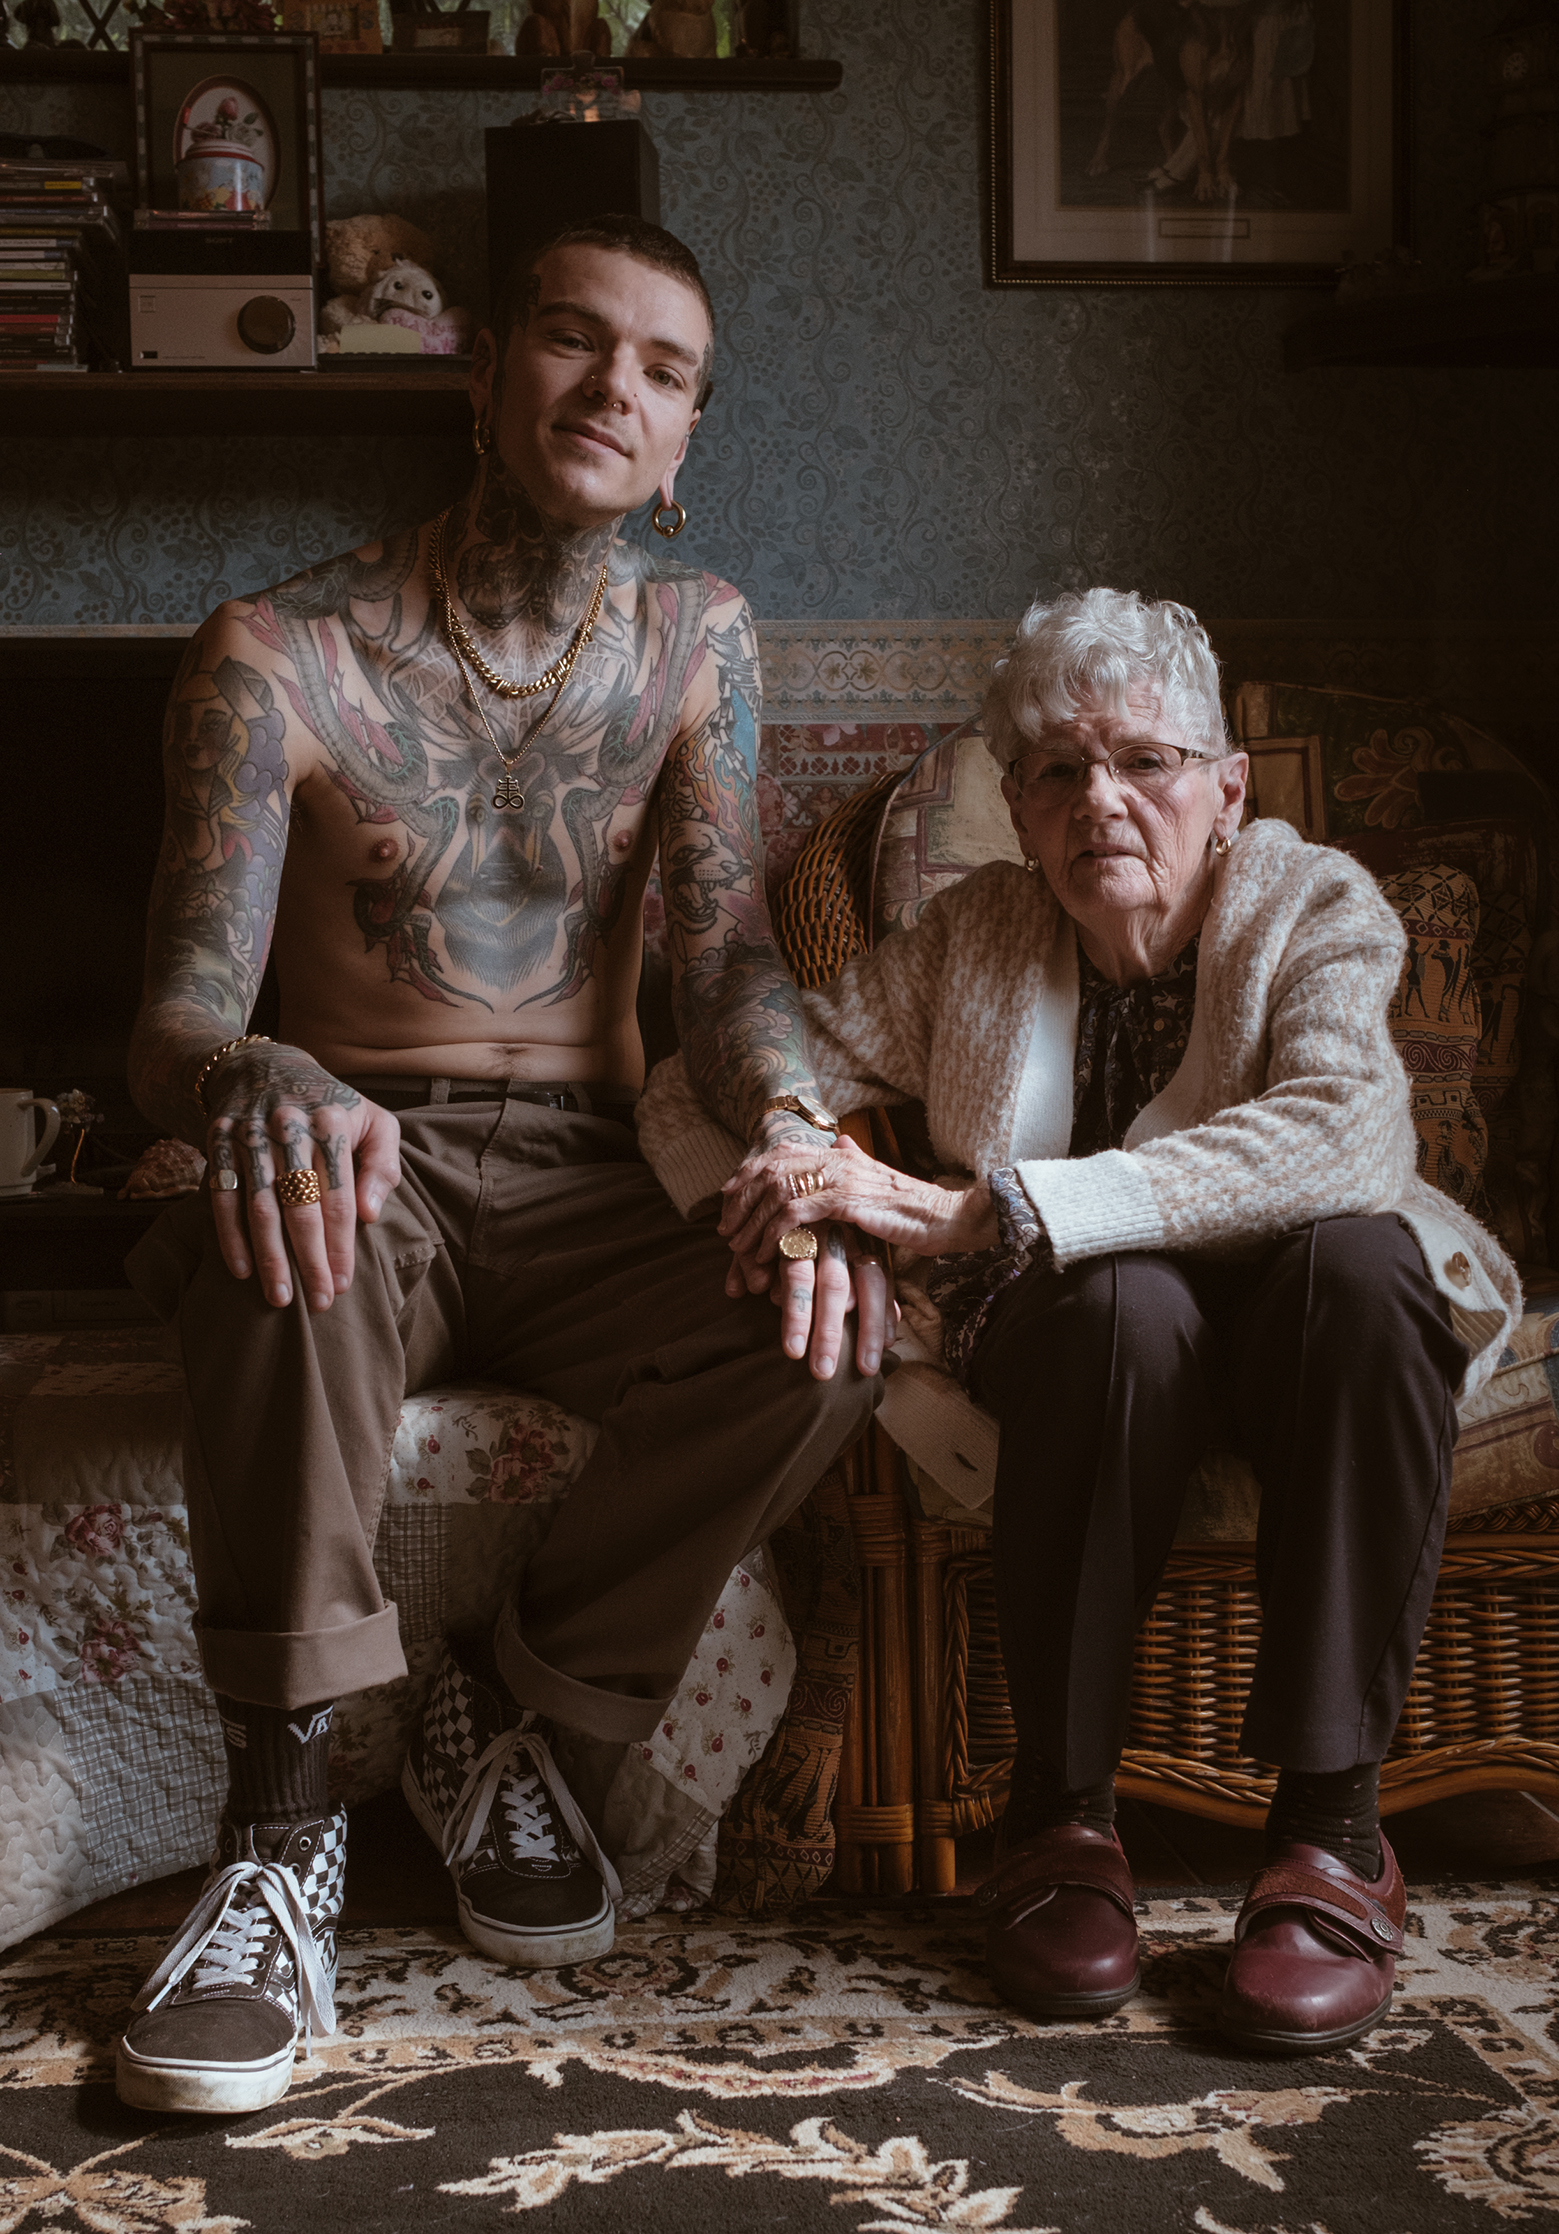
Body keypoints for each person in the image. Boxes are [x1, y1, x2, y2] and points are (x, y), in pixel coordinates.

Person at [115, 214, 882, 2117]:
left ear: (687, 435)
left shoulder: (700, 642)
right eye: (572, 338)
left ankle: (514, 1704)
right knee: (274, 1231)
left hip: (598, 1172)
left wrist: (799, 1133)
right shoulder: (277, 652)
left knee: (832, 1322)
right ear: (484, 371)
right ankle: (278, 1840)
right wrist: (258, 1076)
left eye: (664, 369)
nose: (615, 386)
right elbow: (176, 1018)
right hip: (365, 1154)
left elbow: (725, 956)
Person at [645, 587, 1521, 2055]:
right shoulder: (976, 936)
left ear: (1228, 790)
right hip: (1093, 1352)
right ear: (1020, 806)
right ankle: (1061, 1821)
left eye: (1146, 762)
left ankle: (1331, 1832)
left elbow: (1348, 1135)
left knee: (1371, 1274)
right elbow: (696, 1091)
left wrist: (987, 1210)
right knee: (1120, 1303)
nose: (1100, 800)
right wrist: (808, 1202)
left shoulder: (1315, 903)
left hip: (1308, 1329)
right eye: (1057, 769)